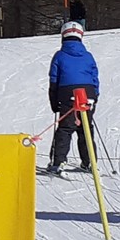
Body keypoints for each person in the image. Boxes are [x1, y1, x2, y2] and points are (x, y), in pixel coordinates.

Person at [45, 22, 100, 173]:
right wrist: (94, 96)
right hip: (87, 93)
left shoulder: (60, 55)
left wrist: (54, 102)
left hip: (67, 93)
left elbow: (54, 80)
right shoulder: (88, 56)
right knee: (85, 128)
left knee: (65, 128)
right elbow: (95, 77)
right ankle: (90, 162)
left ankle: (58, 162)